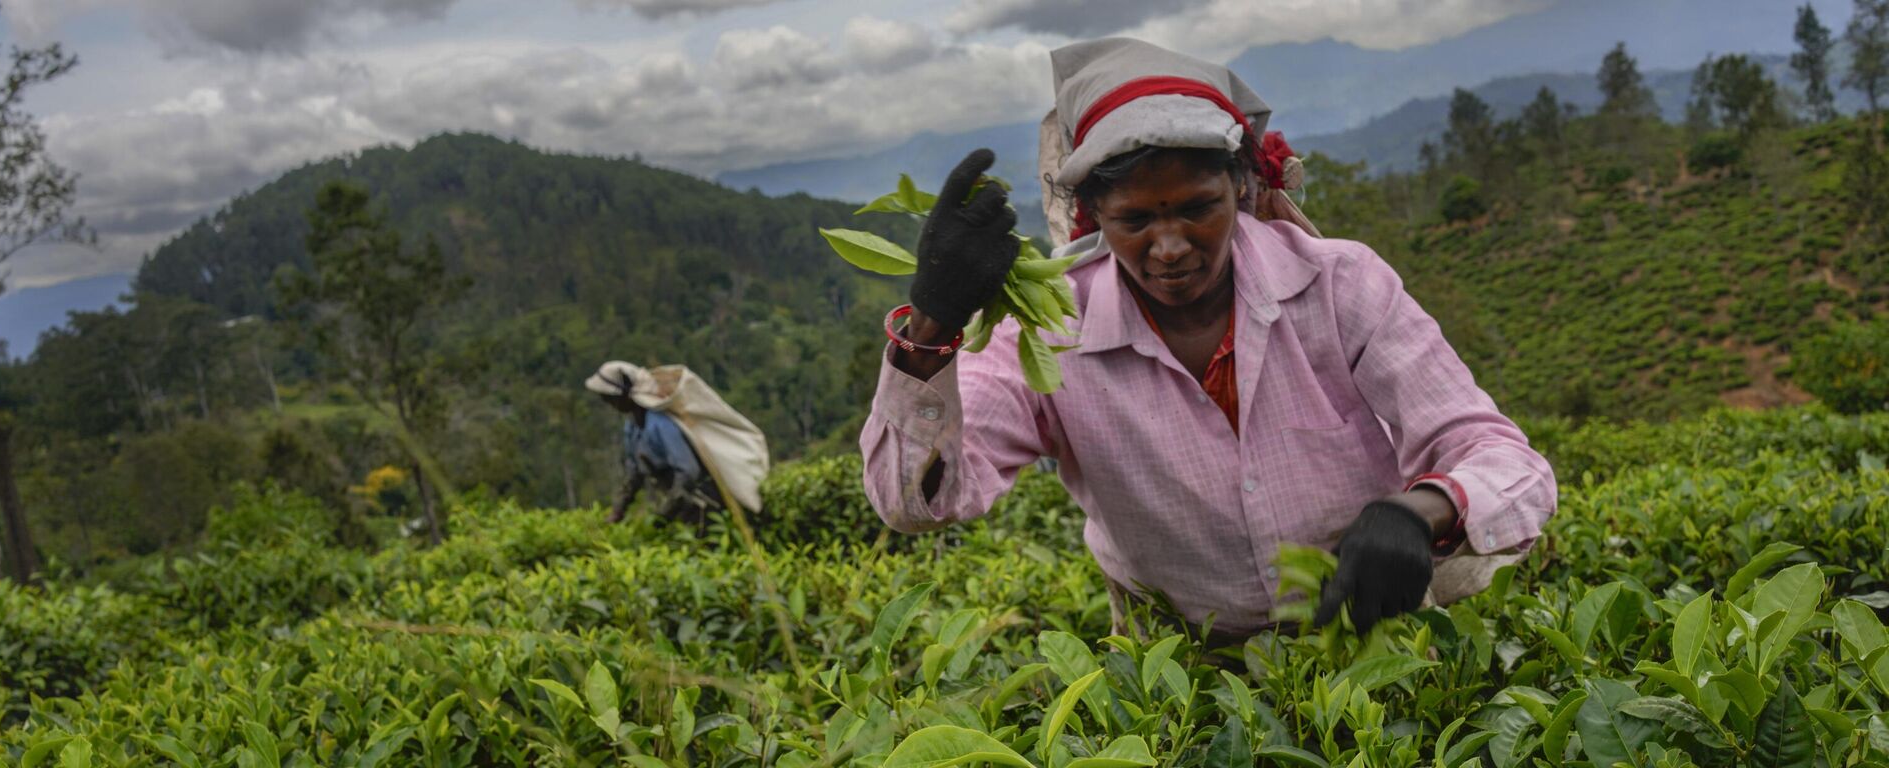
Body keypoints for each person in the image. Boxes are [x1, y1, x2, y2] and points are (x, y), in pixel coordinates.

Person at [859, 38, 1557, 641]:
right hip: (1180, 671)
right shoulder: (1050, 334)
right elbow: (914, 503)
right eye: (1135, 219)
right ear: (1091, 213)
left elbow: (1504, 459)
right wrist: (933, 326)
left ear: (1243, 188)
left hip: (1369, 639)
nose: (1168, 247)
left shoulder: (1341, 285)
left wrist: (1421, 511)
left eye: (1198, 209)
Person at [588, 363, 721, 527]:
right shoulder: (633, 426)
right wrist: (618, 510)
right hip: (679, 504)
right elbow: (634, 472)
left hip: (702, 505)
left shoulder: (660, 423)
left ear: (625, 395)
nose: (608, 402)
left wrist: (665, 514)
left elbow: (687, 471)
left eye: (610, 398)